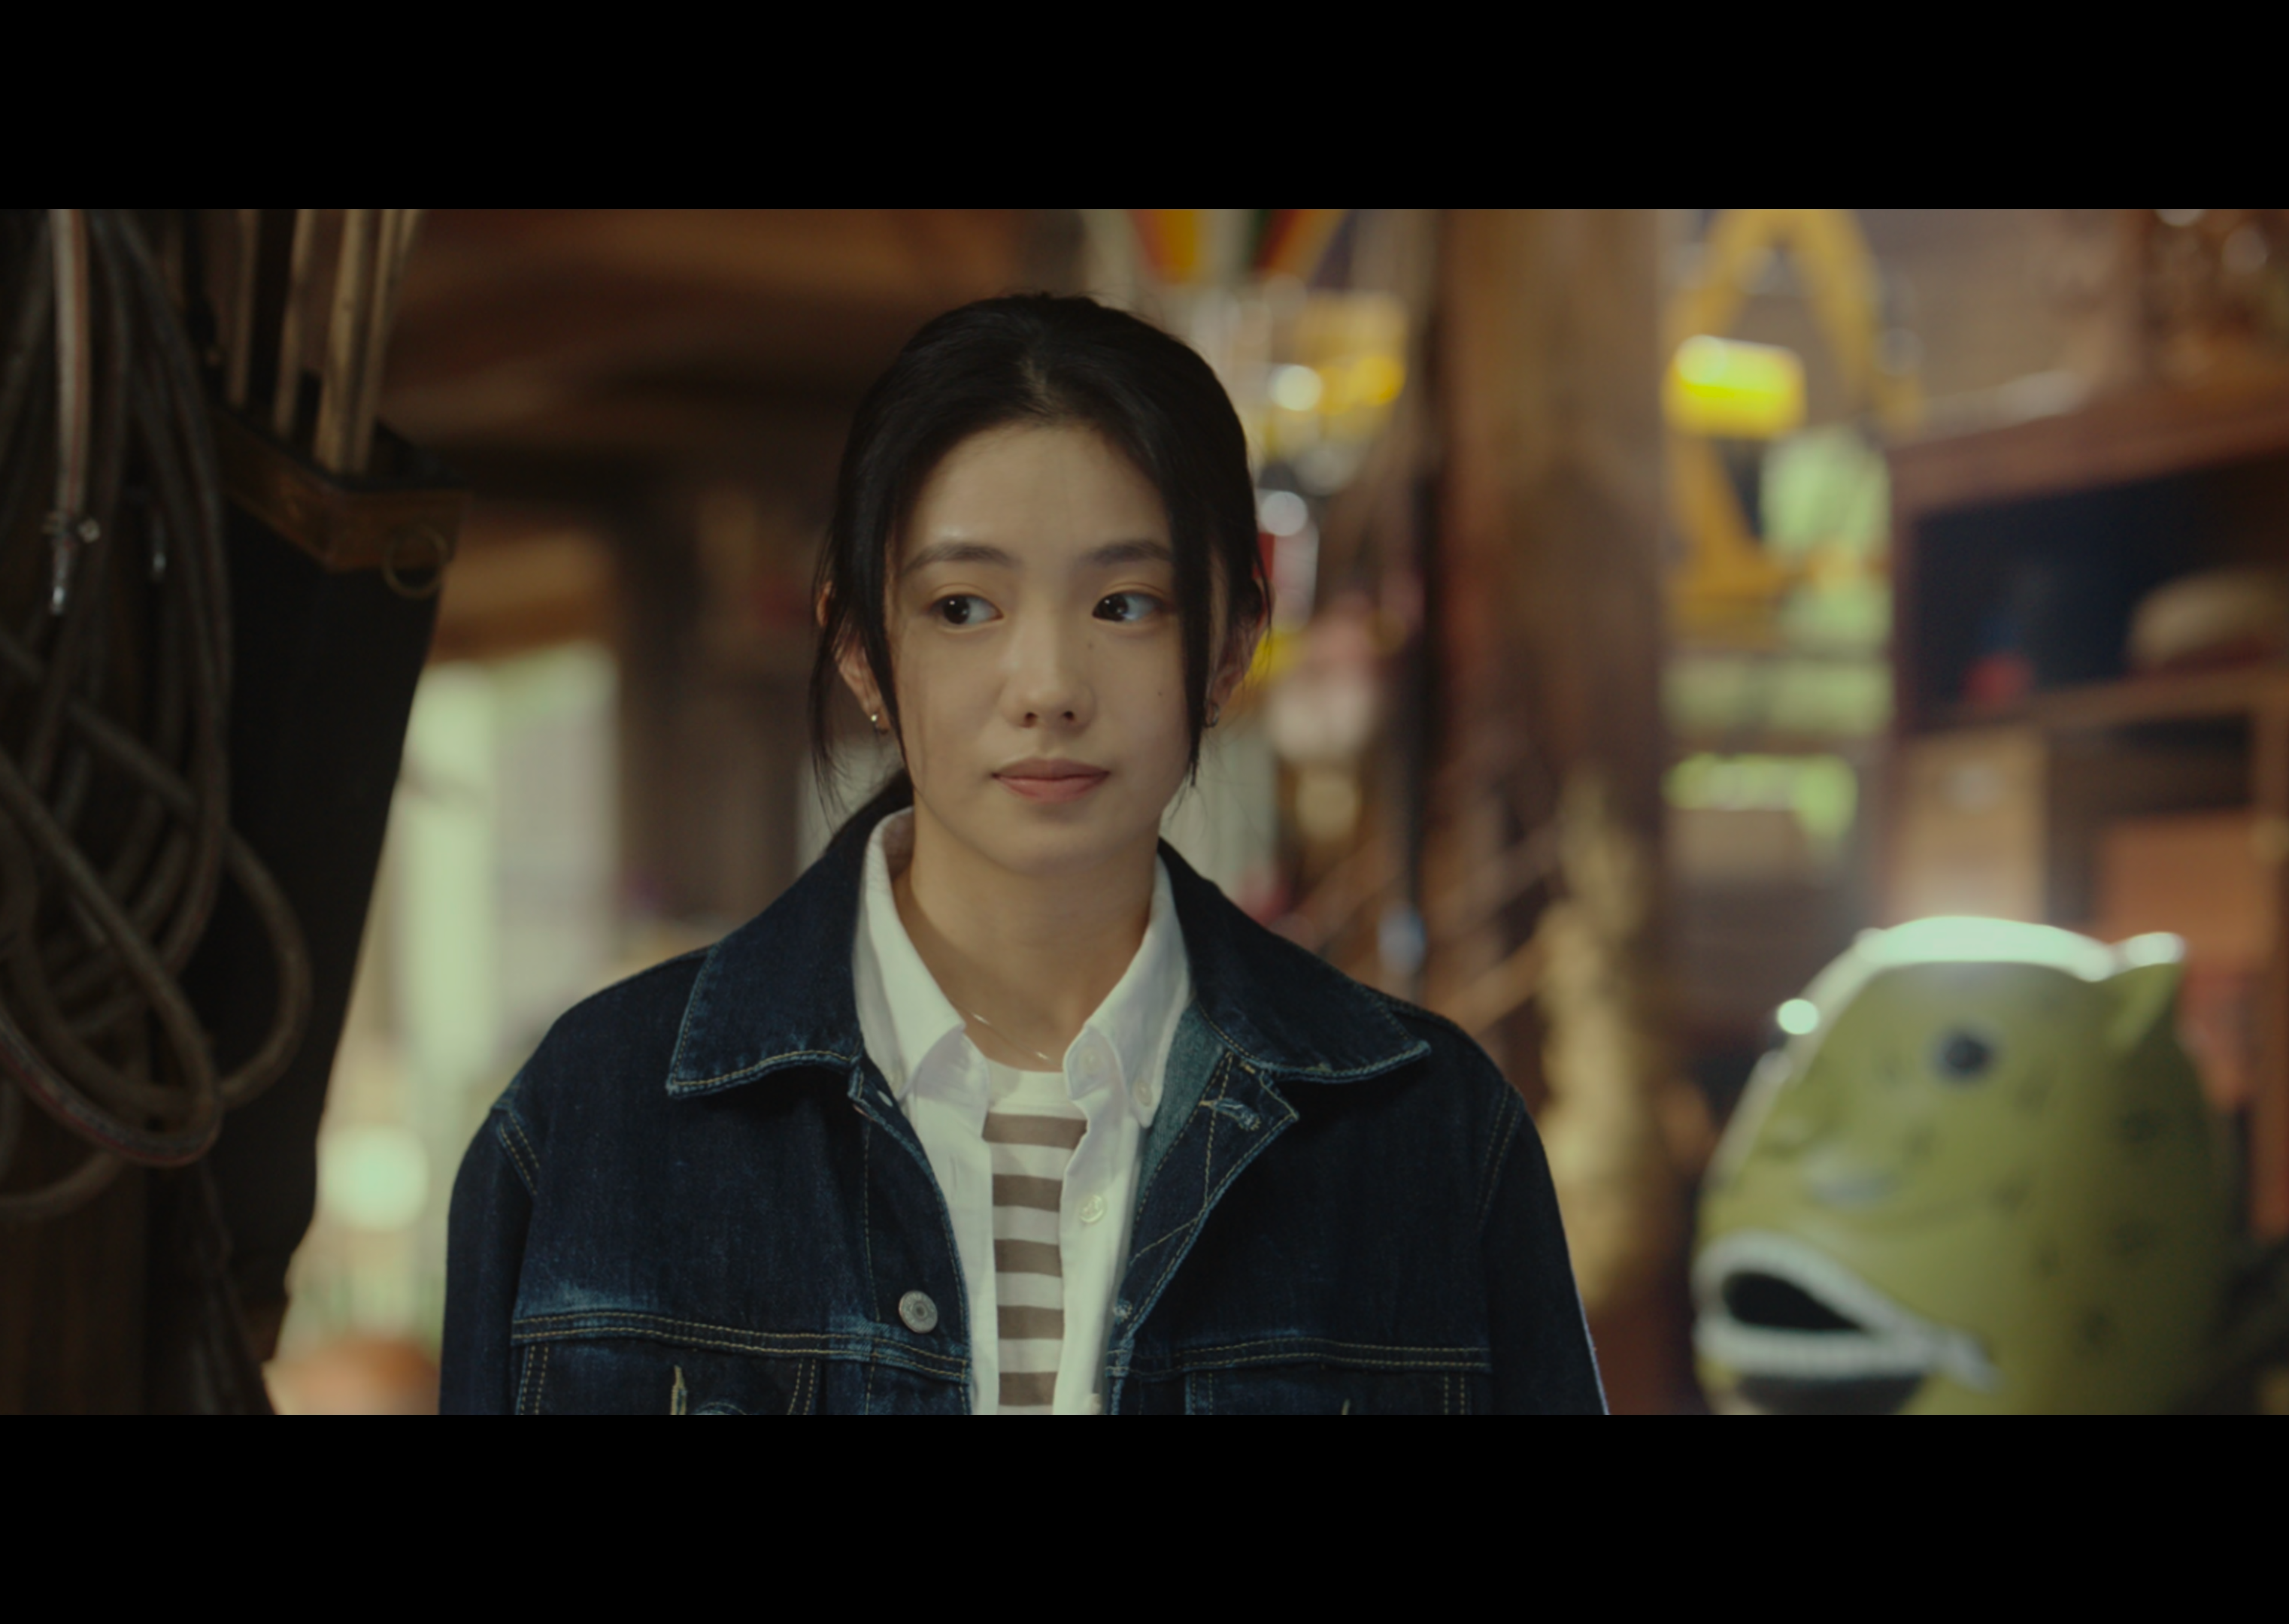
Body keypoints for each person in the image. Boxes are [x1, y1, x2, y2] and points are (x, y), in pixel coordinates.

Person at [442, 294, 1602, 1413]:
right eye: (963, 607)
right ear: (861, 650)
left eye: (1125, 604)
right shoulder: (596, 1117)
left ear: (1231, 645)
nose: (1047, 687)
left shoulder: (1429, 1133)